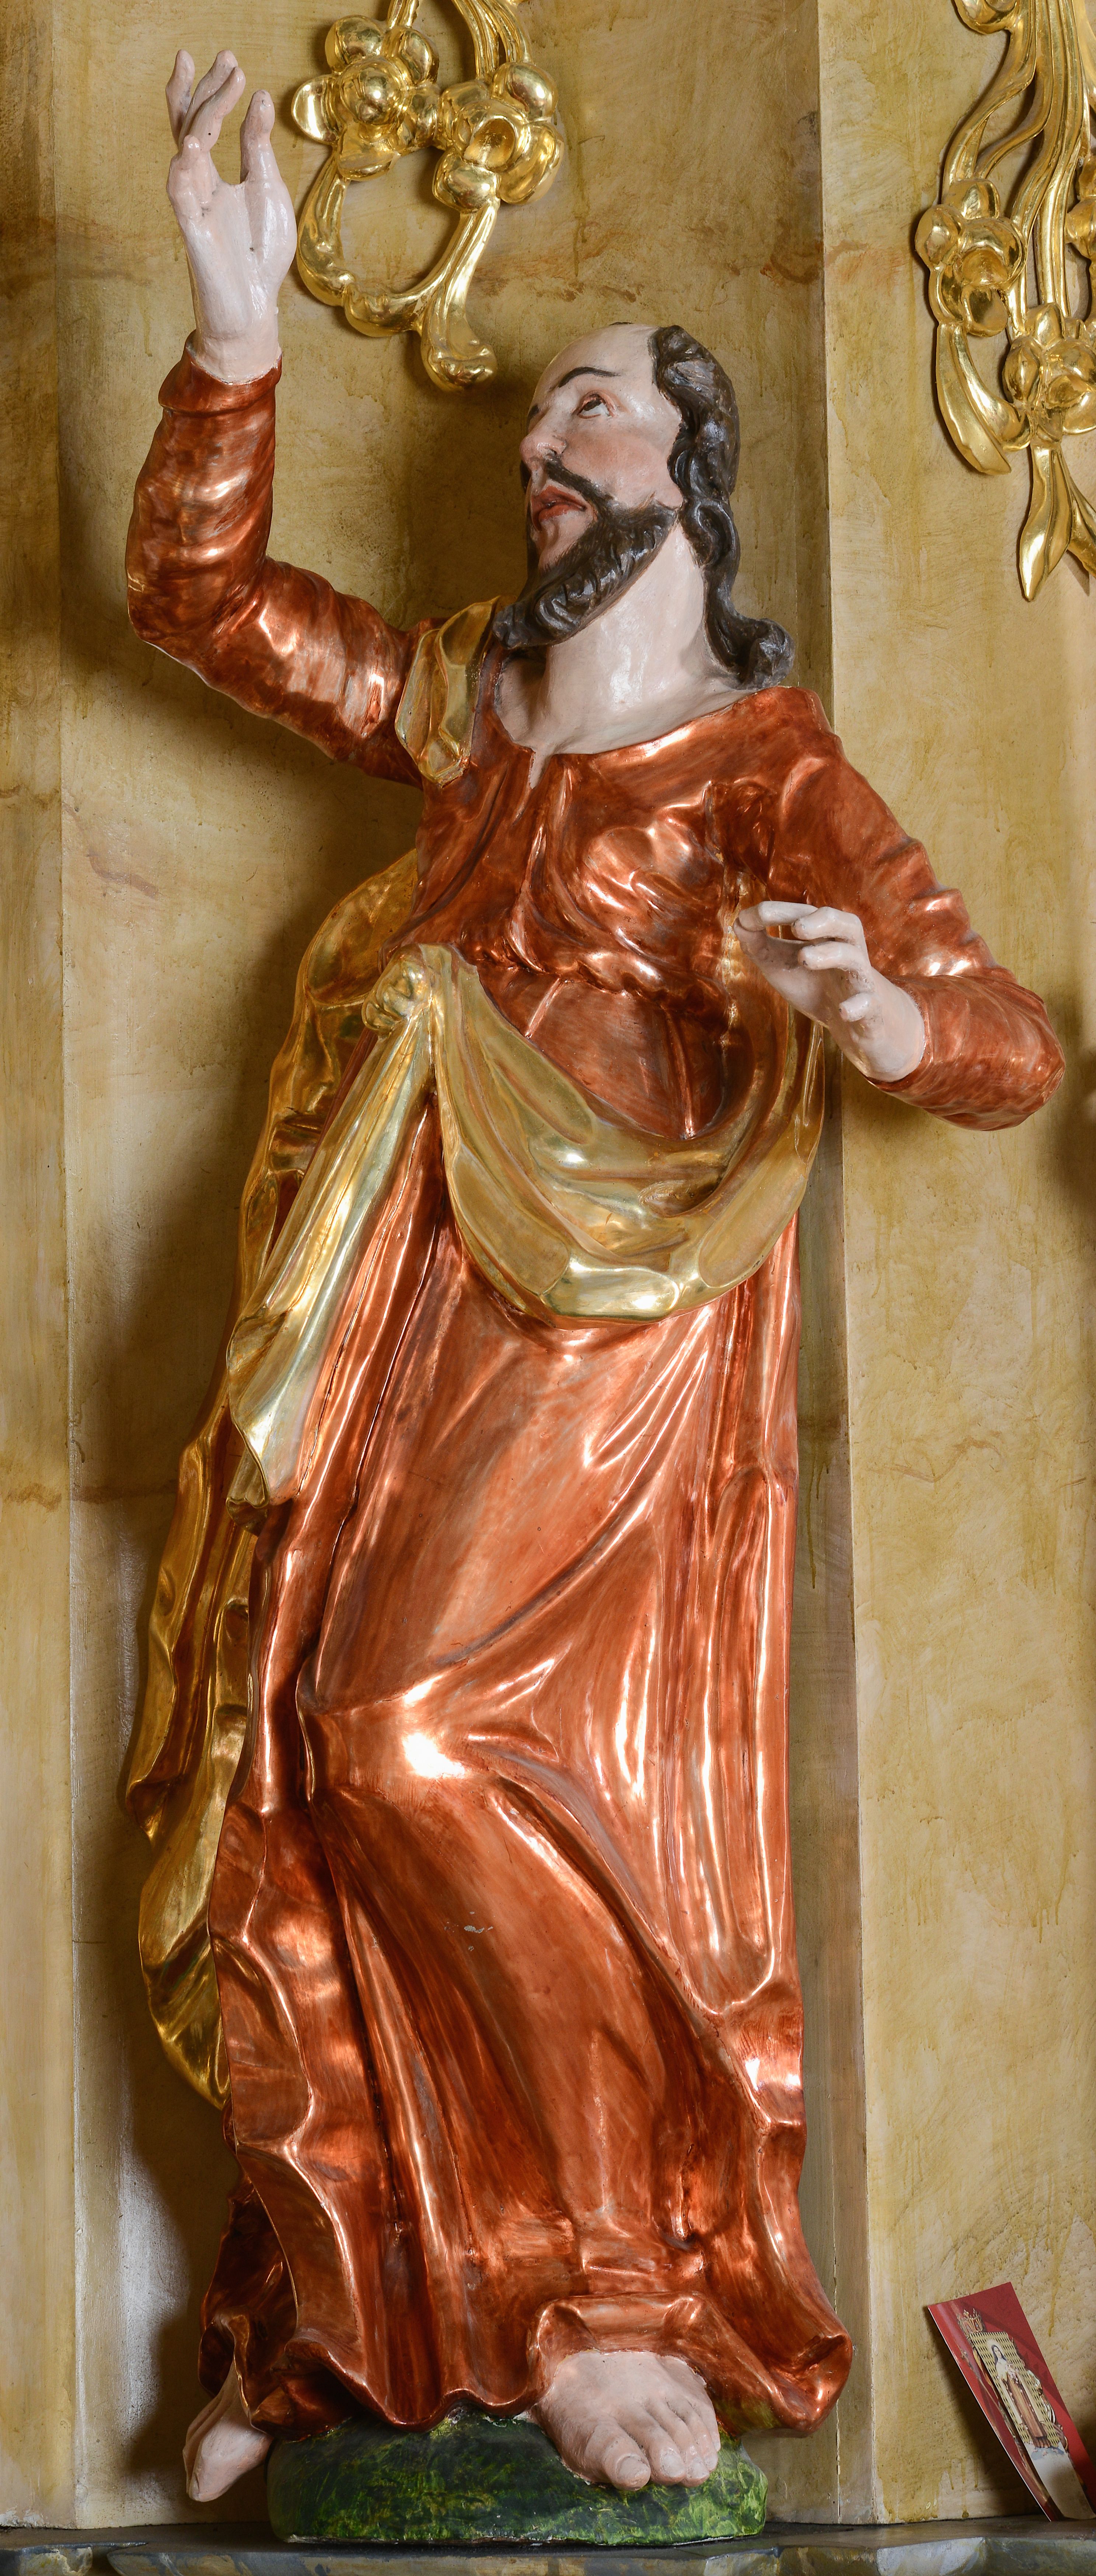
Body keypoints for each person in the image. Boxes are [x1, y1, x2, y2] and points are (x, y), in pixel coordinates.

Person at [125, 47, 1064, 2509]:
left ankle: (609, 2283)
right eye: (539, 422)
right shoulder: (478, 709)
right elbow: (199, 603)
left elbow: (1007, 1042)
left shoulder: (759, 763)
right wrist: (237, 330)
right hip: (396, 1291)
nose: (549, 453)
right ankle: (348, 2321)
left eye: (600, 417)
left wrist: (880, 1012)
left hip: (617, 1341)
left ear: (691, 484)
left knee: (422, 1739)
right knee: (300, 1758)